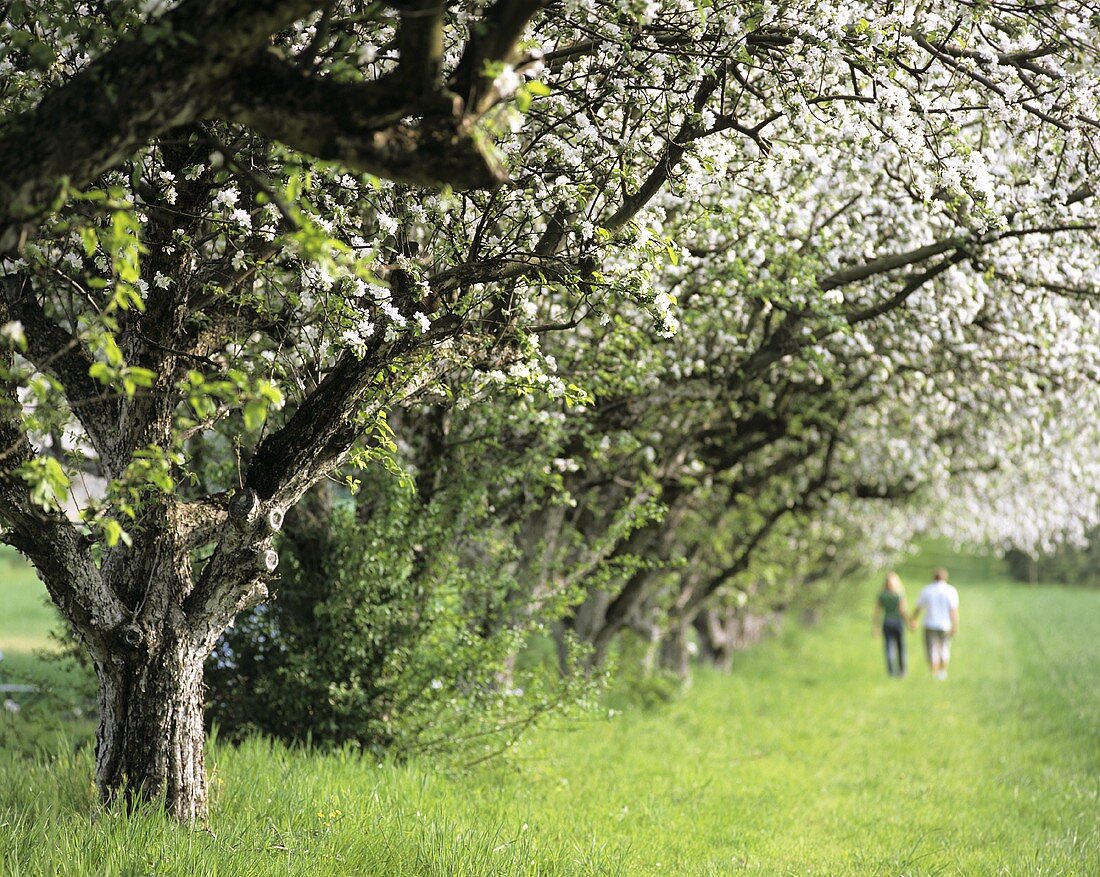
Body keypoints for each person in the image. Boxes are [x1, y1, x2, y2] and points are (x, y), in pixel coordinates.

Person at [909, 567, 959, 680]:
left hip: (930, 624)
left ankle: (934, 673)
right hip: (945, 625)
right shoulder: (951, 590)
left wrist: (913, 619)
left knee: (932, 649)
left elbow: (919, 607)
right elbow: (953, 610)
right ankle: (942, 671)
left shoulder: (927, 590)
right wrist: (955, 625)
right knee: (944, 647)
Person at [872, 571, 909, 676]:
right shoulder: (899, 594)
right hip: (898, 622)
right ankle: (902, 671)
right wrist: (908, 622)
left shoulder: (882, 595)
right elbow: (902, 611)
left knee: (889, 648)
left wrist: (875, 627)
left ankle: (891, 671)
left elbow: (877, 612)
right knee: (901, 647)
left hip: (887, 622)